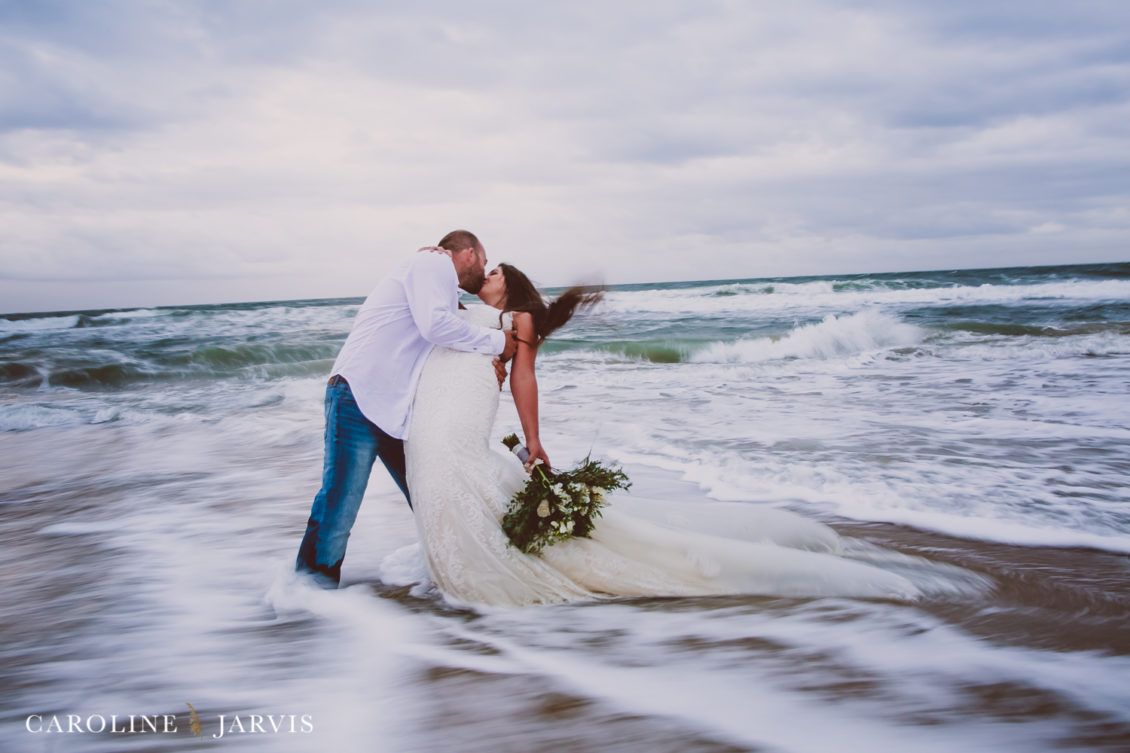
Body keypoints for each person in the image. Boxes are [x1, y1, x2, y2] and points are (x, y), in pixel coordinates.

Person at [403, 263, 921, 606]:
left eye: (493, 272)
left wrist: (532, 439)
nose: (485, 276)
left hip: (469, 411)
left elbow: (524, 376)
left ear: (510, 287)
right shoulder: (469, 313)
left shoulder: (517, 318)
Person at [295, 230, 519, 587]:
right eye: (485, 261)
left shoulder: (437, 282)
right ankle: (307, 594)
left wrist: (490, 360)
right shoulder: (433, 263)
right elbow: (437, 328)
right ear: (471, 254)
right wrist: (498, 342)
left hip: (396, 410)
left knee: (432, 495)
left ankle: (458, 579)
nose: (485, 269)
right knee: (340, 503)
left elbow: (448, 334)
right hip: (359, 395)